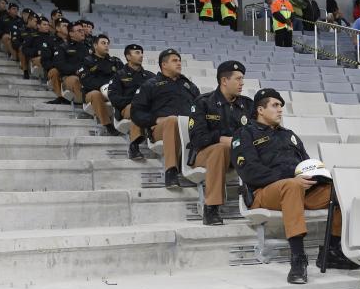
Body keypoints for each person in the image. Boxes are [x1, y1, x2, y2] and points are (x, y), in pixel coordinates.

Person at [231, 89, 349, 284]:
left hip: (298, 189)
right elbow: (249, 171)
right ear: (260, 109)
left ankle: (332, 251)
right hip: (263, 192)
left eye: (281, 106)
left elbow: (306, 163)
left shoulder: (289, 135)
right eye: (275, 105)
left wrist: (318, 177)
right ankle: (298, 258)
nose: (280, 110)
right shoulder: (244, 134)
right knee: (292, 186)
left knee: (339, 191)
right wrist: (291, 179)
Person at [188, 60, 255, 225]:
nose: (242, 83)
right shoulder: (203, 102)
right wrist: (221, 139)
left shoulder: (248, 105)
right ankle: (211, 207)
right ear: (224, 81)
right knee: (220, 149)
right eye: (238, 79)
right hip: (205, 154)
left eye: (242, 79)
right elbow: (197, 138)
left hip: (237, 154)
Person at [131, 49, 200, 187]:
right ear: (164, 65)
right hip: (160, 129)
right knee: (172, 120)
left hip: (187, 127)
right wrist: (155, 120)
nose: (179, 63)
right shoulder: (150, 85)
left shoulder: (189, 86)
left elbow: (200, 109)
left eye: (180, 60)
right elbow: (136, 112)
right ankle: (171, 171)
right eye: (175, 61)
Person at [108, 44, 155, 161]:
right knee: (137, 107)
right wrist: (135, 100)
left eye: (141, 53)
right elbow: (113, 97)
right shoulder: (119, 75)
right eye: (137, 53)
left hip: (148, 108)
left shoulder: (150, 76)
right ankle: (134, 145)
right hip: (126, 109)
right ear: (128, 57)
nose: (141, 55)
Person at [78, 34, 123, 135]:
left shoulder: (115, 61)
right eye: (103, 43)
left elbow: (124, 78)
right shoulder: (86, 61)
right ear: (95, 45)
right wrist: (106, 86)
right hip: (93, 93)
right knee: (95, 94)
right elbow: (86, 81)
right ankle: (107, 125)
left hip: (112, 91)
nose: (106, 46)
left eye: (107, 43)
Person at [48, 23, 90, 105]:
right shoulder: (63, 47)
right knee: (75, 80)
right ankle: (83, 104)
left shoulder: (87, 47)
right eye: (79, 30)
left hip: (86, 75)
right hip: (69, 76)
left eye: (82, 30)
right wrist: (77, 70)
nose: (82, 32)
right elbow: (60, 64)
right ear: (71, 33)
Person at [20, 15, 53, 80]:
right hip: (34, 59)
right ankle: (26, 71)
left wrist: (42, 55)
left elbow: (53, 51)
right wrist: (36, 52)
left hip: (47, 59)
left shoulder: (52, 38)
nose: (47, 26)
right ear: (38, 26)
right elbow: (24, 49)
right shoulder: (32, 36)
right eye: (44, 24)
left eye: (48, 25)